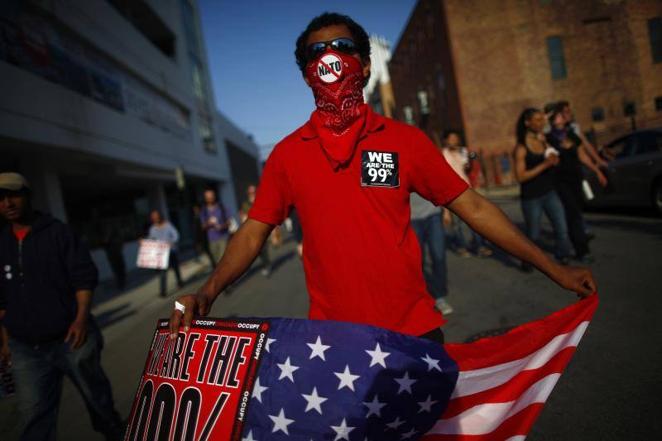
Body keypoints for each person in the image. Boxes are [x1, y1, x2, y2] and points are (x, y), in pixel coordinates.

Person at [169, 13, 596, 345]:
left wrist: (552, 267)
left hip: (415, 333)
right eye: (317, 53)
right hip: (335, 344)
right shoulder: (286, 155)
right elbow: (253, 231)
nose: (329, 58)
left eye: (342, 46)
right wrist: (208, 292)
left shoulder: (405, 141)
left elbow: (476, 207)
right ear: (305, 75)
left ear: (366, 64)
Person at [0, 172, 124, 441]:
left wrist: (80, 320)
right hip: (25, 349)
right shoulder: (2, 243)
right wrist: (5, 340)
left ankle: (117, 433)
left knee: (99, 404)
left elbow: (84, 278)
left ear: (27, 196)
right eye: (1, 198)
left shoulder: (58, 232)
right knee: (33, 418)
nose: (7, 202)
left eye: (13, 195)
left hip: (71, 339)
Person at [513, 108, 573, 271]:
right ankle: (528, 260)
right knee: (533, 235)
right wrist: (544, 165)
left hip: (550, 192)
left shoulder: (544, 140)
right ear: (527, 123)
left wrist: (554, 160)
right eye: (537, 120)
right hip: (532, 198)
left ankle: (562, 255)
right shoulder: (521, 148)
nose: (542, 123)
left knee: (561, 227)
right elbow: (520, 177)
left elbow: (553, 158)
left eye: (543, 119)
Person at [546, 108, 607, 263]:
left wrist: (597, 171)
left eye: (560, 115)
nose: (559, 117)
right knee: (573, 213)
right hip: (560, 181)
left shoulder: (572, 136)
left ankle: (568, 247)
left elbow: (582, 156)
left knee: (576, 213)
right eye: (557, 115)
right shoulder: (547, 138)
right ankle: (582, 250)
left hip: (576, 179)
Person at [442, 130, 493, 258]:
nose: (454, 141)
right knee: (458, 222)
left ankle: (480, 246)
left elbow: (469, 169)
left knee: (474, 219)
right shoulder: (443, 154)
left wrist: (471, 160)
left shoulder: (464, 151)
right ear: (446, 140)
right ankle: (461, 246)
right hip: (451, 192)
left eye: (456, 138)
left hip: (467, 189)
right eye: (451, 139)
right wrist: (445, 210)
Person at [410, 192, 453, 315]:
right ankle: (422, 298)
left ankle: (440, 297)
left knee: (439, 256)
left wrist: (446, 211)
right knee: (418, 261)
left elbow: (439, 185)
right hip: (411, 219)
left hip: (433, 215)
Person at [147, 210, 183, 297]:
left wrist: (172, 242)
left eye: (157, 216)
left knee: (175, 268)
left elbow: (176, 235)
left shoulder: (168, 225)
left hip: (171, 251)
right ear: (152, 219)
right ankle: (163, 291)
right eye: (154, 217)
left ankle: (180, 282)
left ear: (160, 216)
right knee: (163, 273)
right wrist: (144, 242)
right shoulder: (152, 229)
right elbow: (151, 240)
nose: (156, 218)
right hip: (161, 254)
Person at [240, 185, 272, 277]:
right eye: (250, 192)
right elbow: (243, 216)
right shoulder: (245, 204)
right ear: (248, 193)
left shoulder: (261, 201)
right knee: (256, 250)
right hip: (251, 230)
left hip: (262, 228)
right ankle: (264, 263)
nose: (252, 194)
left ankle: (267, 265)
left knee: (264, 248)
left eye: (254, 192)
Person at [199, 189, 229, 263]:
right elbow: (202, 227)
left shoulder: (221, 207)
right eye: (208, 197)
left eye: (211, 196)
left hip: (223, 237)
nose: (210, 198)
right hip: (211, 239)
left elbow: (229, 222)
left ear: (214, 197)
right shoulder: (204, 211)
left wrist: (222, 226)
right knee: (217, 262)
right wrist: (208, 223)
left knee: (223, 259)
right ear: (205, 198)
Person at [192, 204, 215, 268]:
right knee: (208, 252)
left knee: (211, 251)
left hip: (208, 237)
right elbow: (196, 230)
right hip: (202, 238)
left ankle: (215, 264)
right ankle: (214, 264)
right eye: (194, 210)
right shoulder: (196, 218)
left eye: (196, 209)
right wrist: (197, 241)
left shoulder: (204, 216)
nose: (195, 211)